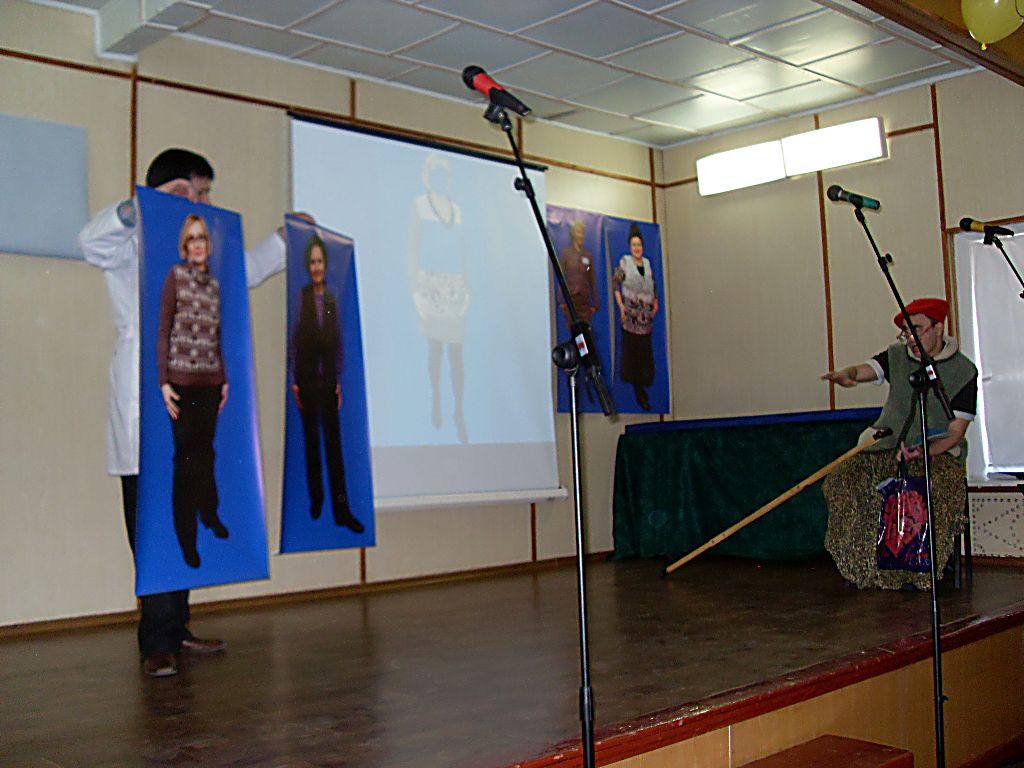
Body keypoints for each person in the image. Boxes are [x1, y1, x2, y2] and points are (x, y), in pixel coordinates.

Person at [79, 148, 293, 677]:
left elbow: (243, 272)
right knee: (149, 521)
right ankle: (156, 639)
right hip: (147, 395)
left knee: (190, 494)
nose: (195, 202)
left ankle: (178, 628)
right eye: (183, 192)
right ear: (152, 194)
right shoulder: (132, 242)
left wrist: (285, 240)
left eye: (203, 193)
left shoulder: (202, 255)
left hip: (195, 389)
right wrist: (131, 211)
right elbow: (91, 242)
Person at [820, 298, 978, 590]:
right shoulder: (896, 355)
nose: (910, 339)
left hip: (936, 455)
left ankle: (917, 573)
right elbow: (864, 370)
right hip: (885, 449)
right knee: (843, 482)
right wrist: (848, 375)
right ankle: (863, 568)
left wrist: (923, 451)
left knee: (931, 490)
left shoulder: (964, 371)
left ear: (938, 328)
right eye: (906, 332)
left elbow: (955, 433)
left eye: (917, 329)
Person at [157, 214, 230, 569]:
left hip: (210, 383)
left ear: (208, 245)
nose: (198, 244)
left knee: (207, 455)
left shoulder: (214, 286)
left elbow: (216, 336)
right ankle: (187, 539)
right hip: (182, 385)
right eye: (192, 239)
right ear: (184, 246)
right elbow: (163, 330)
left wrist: (223, 378)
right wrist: (163, 382)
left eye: (202, 238)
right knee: (186, 462)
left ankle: (209, 513)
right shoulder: (175, 277)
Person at [290, 235, 364, 532]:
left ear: (326, 264)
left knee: (334, 448)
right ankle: (316, 500)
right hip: (307, 382)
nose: (316, 267)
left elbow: (336, 340)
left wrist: (337, 378)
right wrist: (295, 380)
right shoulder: (302, 298)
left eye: (320, 261)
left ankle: (342, 510)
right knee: (312, 444)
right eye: (312, 262)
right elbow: (296, 340)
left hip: (328, 381)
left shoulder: (331, 299)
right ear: (307, 266)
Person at [407, 153, 469, 443]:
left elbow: (464, 252)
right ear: (428, 176)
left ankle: (458, 410)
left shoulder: (458, 210)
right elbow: (413, 248)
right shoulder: (420, 206)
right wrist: (414, 290)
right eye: (436, 174)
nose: (440, 179)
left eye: (445, 174)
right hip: (429, 284)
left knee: (456, 354)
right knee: (435, 351)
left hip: (454, 286)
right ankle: (435, 402)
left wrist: (467, 288)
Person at [612, 223, 659, 411]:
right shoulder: (625, 262)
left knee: (645, 353)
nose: (637, 248)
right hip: (631, 316)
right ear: (629, 247)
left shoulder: (647, 264)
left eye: (639, 245)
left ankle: (644, 386)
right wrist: (621, 305)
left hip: (646, 317)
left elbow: (652, 284)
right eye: (634, 245)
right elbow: (615, 283)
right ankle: (639, 392)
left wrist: (655, 301)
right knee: (634, 354)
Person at [558, 219, 600, 327]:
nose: (581, 235)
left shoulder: (588, 256)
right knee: (573, 330)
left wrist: (595, 301)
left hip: (584, 301)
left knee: (585, 331)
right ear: (573, 234)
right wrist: (561, 300)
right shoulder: (566, 254)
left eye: (582, 233)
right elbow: (562, 277)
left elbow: (591, 278)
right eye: (578, 232)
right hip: (570, 299)